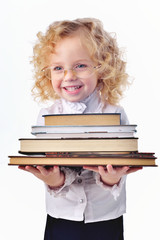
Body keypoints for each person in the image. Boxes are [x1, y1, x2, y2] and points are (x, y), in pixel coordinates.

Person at [19, 18, 141, 240]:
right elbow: (50, 165)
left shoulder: (115, 113)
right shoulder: (47, 116)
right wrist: (54, 181)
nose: (69, 76)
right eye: (58, 68)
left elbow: (121, 167)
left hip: (105, 217)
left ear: (102, 67)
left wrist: (111, 179)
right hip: (61, 216)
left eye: (80, 65)